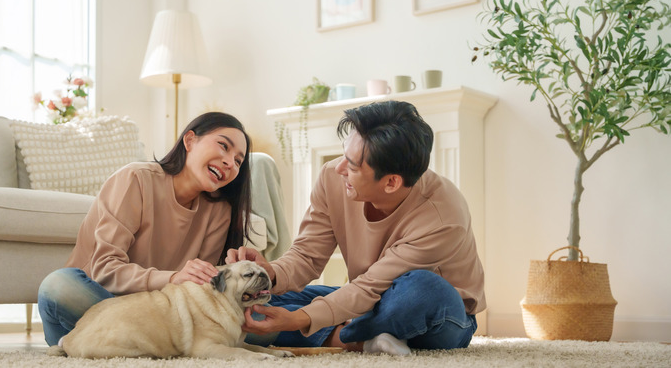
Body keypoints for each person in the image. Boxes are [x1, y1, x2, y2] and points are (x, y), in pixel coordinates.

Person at [227, 100, 486, 354]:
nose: (338, 168)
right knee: (253, 302)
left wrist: (300, 319)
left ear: (391, 182)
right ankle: (365, 336)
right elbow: (307, 255)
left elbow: (369, 289)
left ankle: (343, 336)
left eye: (351, 165)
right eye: (344, 154)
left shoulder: (442, 216)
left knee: (422, 291)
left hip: (440, 315)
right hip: (369, 296)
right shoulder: (332, 177)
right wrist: (270, 273)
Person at [38, 112, 252, 346]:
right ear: (190, 141)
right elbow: (105, 270)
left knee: (260, 318)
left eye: (238, 161)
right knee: (59, 285)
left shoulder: (219, 210)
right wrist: (173, 278)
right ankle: (141, 342)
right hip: (98, 305)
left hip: (161, 319)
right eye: (223, 146)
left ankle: (143, 343)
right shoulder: (136, 179)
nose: (230, 162)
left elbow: (199, 294)